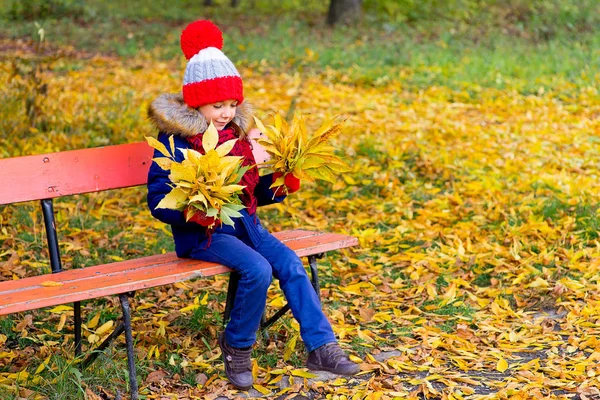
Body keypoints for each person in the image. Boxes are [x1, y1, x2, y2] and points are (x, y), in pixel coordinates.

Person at [146, 20, 360, 390]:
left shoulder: (237, 137)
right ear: (196, 102)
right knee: (258, 269)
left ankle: (322, 347)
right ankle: (237, 346)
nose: (226, 113)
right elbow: (156, 201)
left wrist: (280, 183)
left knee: (291, 264)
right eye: (217, 105)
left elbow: (252, 193)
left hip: (247, 226)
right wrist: (194, 210)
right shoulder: (177, 142)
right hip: (203, 235)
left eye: (232, 104)